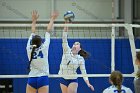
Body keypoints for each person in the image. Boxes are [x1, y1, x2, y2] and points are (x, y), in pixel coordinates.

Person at [26, 10, 58, 93]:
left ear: (32, 42)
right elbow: (48, 31)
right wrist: (52, 18)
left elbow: (32, 32)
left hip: (32, 78)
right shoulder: (44, 47)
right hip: (43, 78)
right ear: (41, 42)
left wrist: (34, 20)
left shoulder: (29, 48)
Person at [58, 21, 94, 93]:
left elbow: (84, 72)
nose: (75, 45)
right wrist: (66, 25)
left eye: (77, 44)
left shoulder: (80, 59)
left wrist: (88, 83)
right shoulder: (66, 50)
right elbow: (64, 38)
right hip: (62, 78)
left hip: (72, 79)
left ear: (79, 48)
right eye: (74, 43)